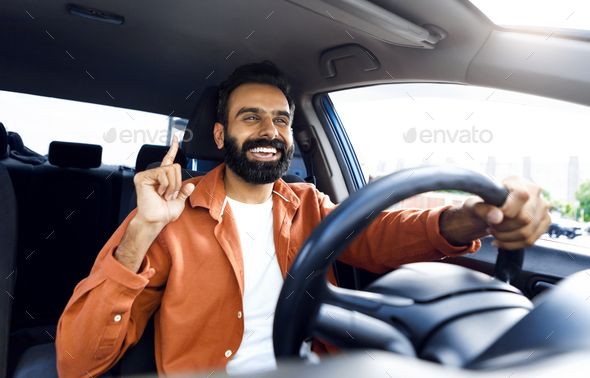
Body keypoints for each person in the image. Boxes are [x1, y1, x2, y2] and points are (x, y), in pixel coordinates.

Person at [56, 62, 551, 377]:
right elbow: (78, 361)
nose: (269, 129)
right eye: (250, 117)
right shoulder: (170, 214)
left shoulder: (308, 202)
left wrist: (475, 217)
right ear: (220, 134)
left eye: (281, 119)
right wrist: (143, 230)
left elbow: (384, 235)